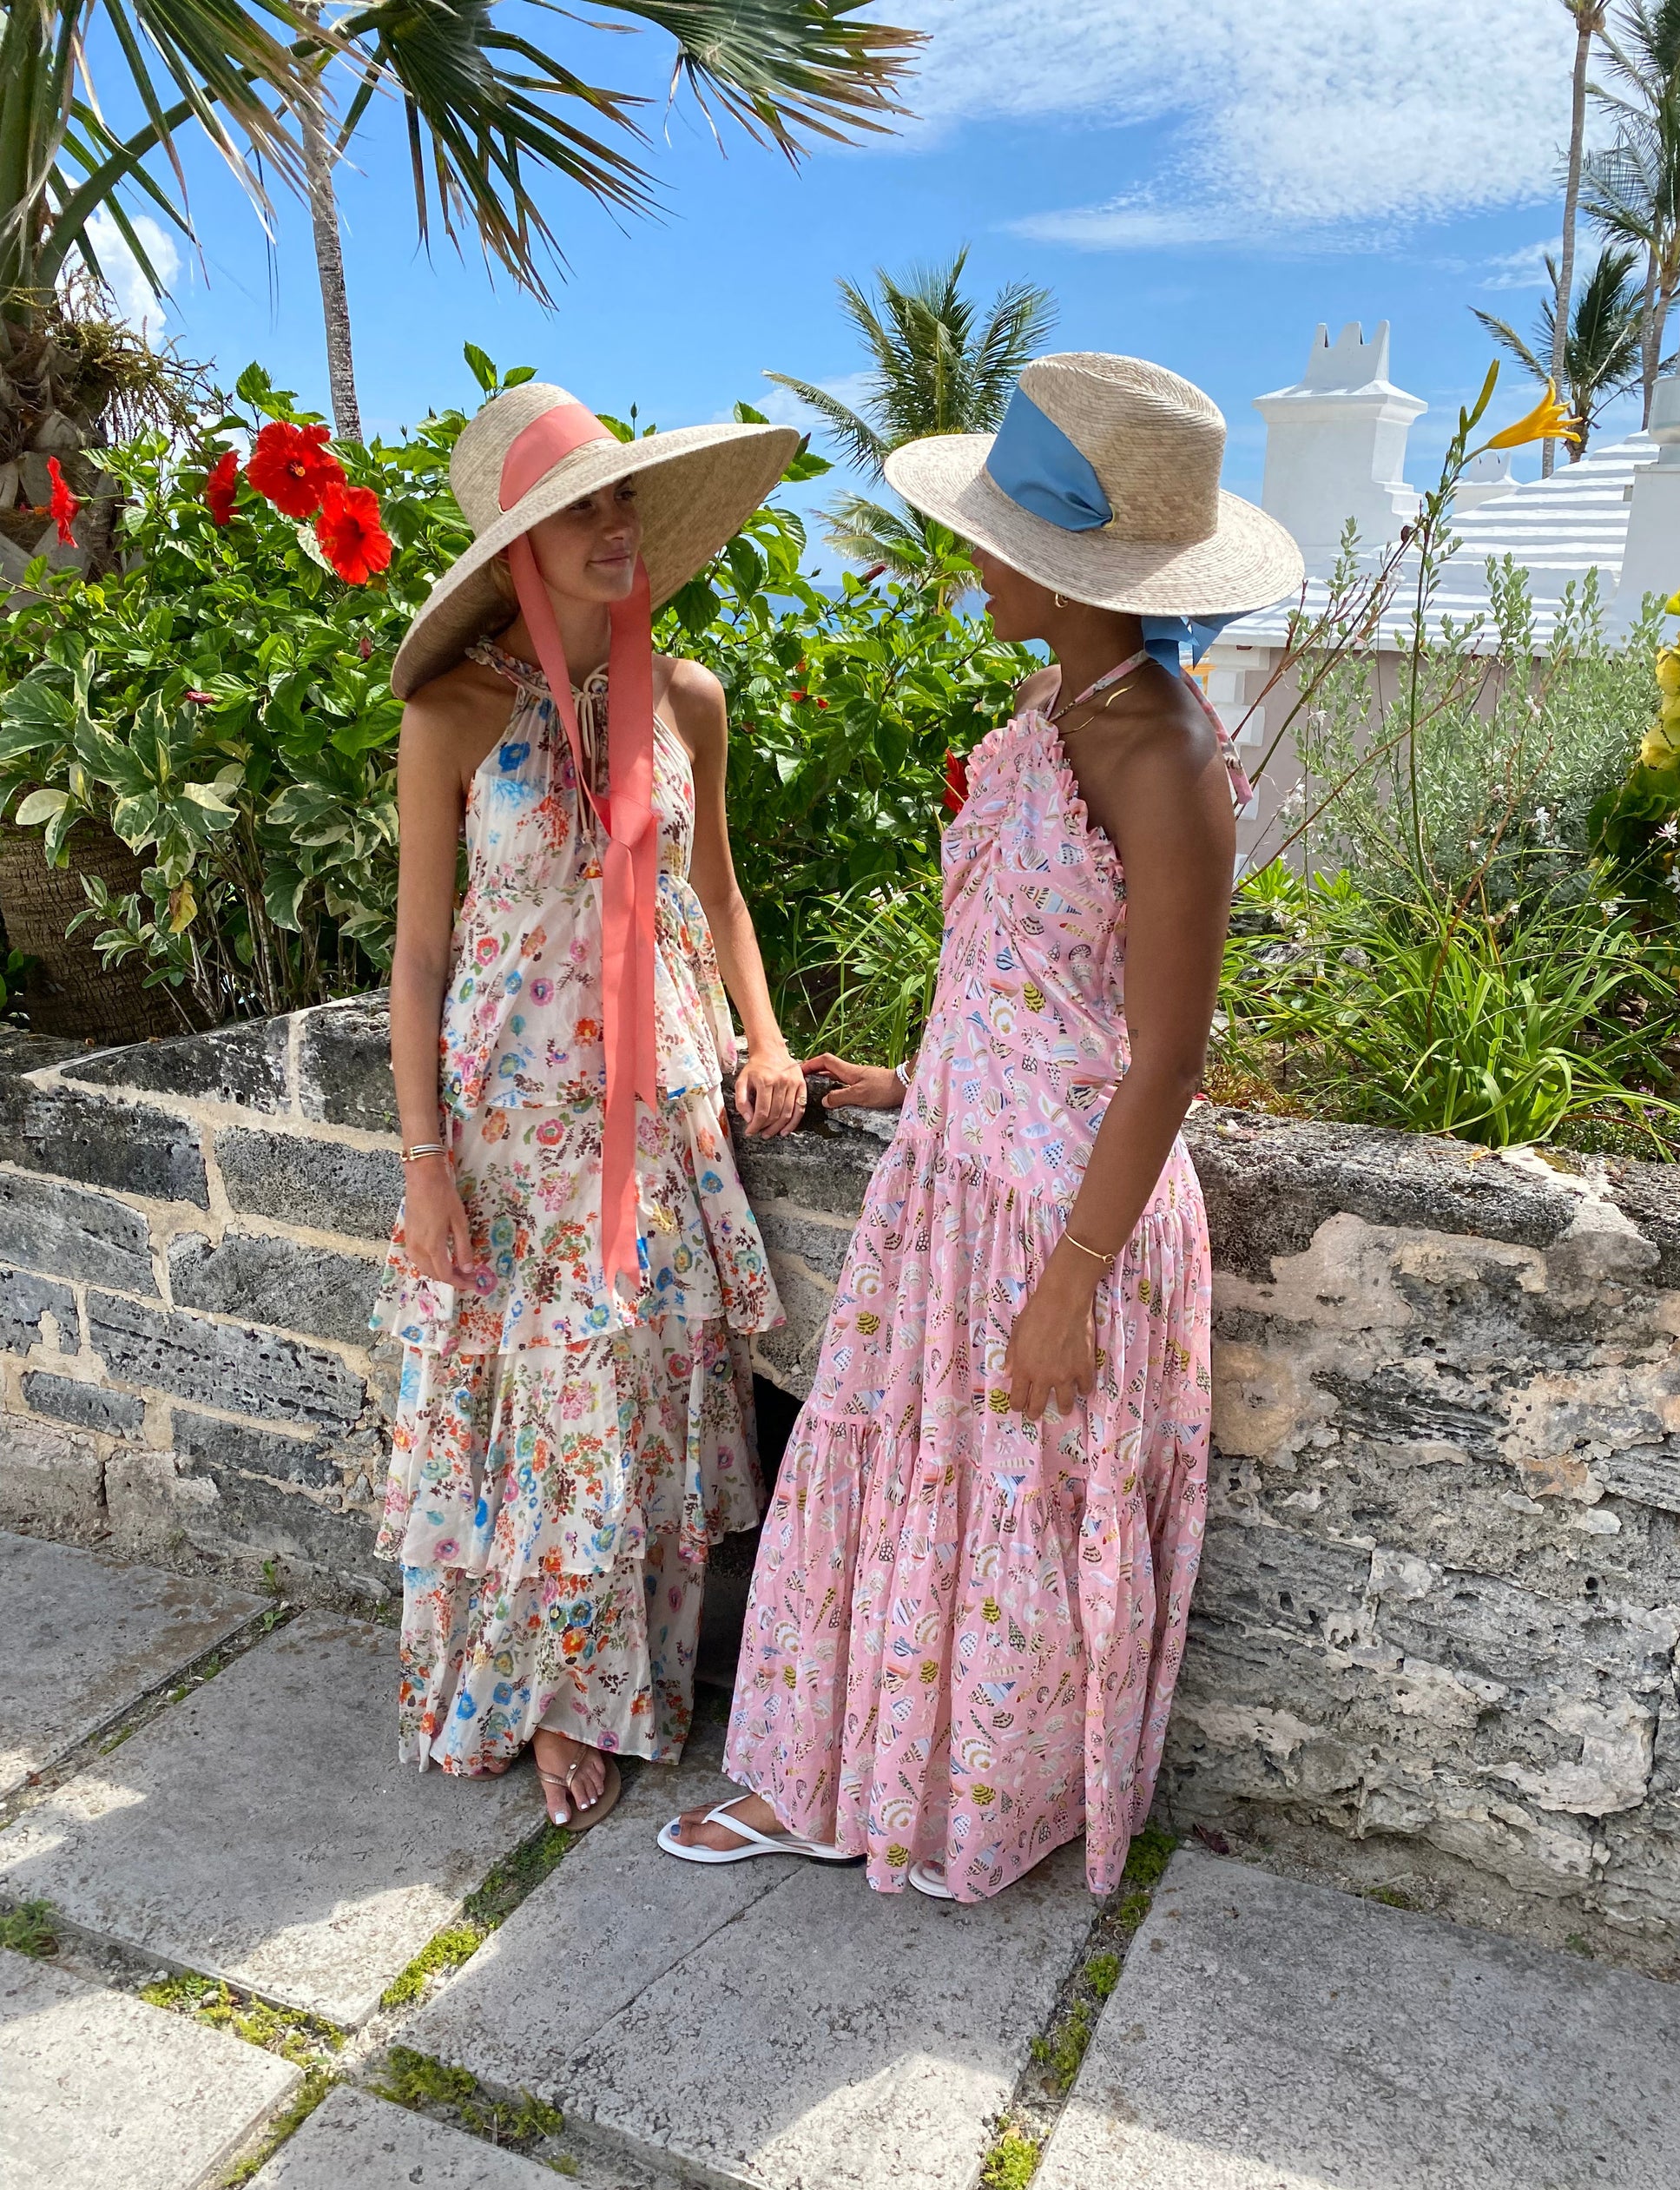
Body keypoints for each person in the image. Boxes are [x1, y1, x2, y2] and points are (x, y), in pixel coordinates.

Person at [661, 353, 1301, 1900]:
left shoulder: (1166, 752)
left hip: (1061, 1210)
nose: (967, 551)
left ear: (1068, 564)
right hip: (956, 1172)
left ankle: (951, 1807)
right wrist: (919, 1074)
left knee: (1000, 1516)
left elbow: (1164, 1060)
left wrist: (1071, 1284)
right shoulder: (1050, 698)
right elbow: (1026, 967)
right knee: (897, 1491)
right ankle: (843, 1780)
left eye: (994, 528)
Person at [372, 382, 808, 1830]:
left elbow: (715, 889)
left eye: (627, 501)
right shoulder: (450, 713)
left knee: (640, 1394)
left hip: (665, 1093)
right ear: (522, 542)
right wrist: (423, 1163)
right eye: (584, 509)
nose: (616, 527)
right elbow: (421, 953)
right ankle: (553, 1692)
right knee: (546, 1397)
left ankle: (618, 1679)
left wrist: (765, 1032)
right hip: (510, 1114)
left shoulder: (688, 699)